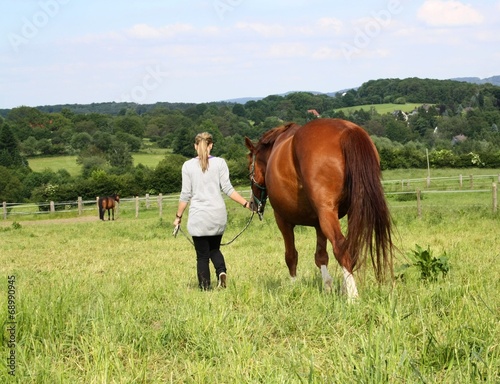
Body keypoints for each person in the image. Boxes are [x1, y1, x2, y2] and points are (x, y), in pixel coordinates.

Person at [173, 132, 252, 290]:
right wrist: (246, 204)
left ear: (195, 146)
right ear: (211, 146)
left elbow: (185, 195)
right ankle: (221, 272)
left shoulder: (187, 166)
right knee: (214, 249)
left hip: (198, 217)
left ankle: (205, 287)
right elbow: (228, 190)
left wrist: (178, 217)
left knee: (202, 255)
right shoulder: (220, 163)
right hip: (217, 215)